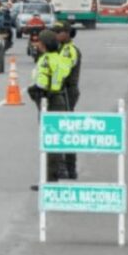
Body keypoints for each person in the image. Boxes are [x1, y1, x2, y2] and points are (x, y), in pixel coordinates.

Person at [28, 28, 73, 190]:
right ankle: (51, 178)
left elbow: (40, 81)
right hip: (59, 97)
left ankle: (48, 180)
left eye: (39, 41)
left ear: (44, 44)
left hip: (48, 100)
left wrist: (34, 91)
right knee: (55, 142)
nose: (37, 44)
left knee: (48, 143)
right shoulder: (60, 58)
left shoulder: (45, 59)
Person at [53, 21, 81, 179]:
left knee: (65, 129)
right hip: (63, 92)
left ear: (67, 33)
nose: (55, 35)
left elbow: (62, 72)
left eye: (58, 32)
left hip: (67, 92)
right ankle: (66, 167)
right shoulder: (61, 48)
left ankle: (67, 167)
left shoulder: (69, 50)